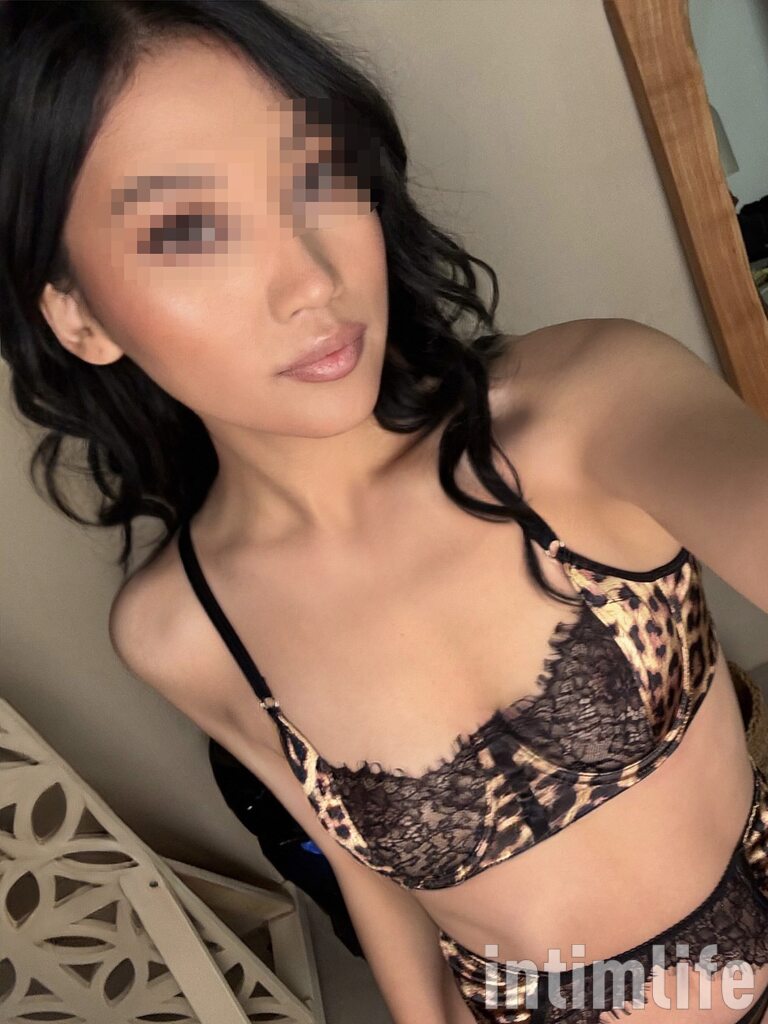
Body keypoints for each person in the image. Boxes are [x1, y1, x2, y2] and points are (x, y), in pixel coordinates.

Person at [2, 3, 767, 1023]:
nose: (312, 280)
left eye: (317, 175)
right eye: (188, 230)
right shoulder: (182, 631)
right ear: (79, 315)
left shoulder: (586, 408)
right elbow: (374, 880)